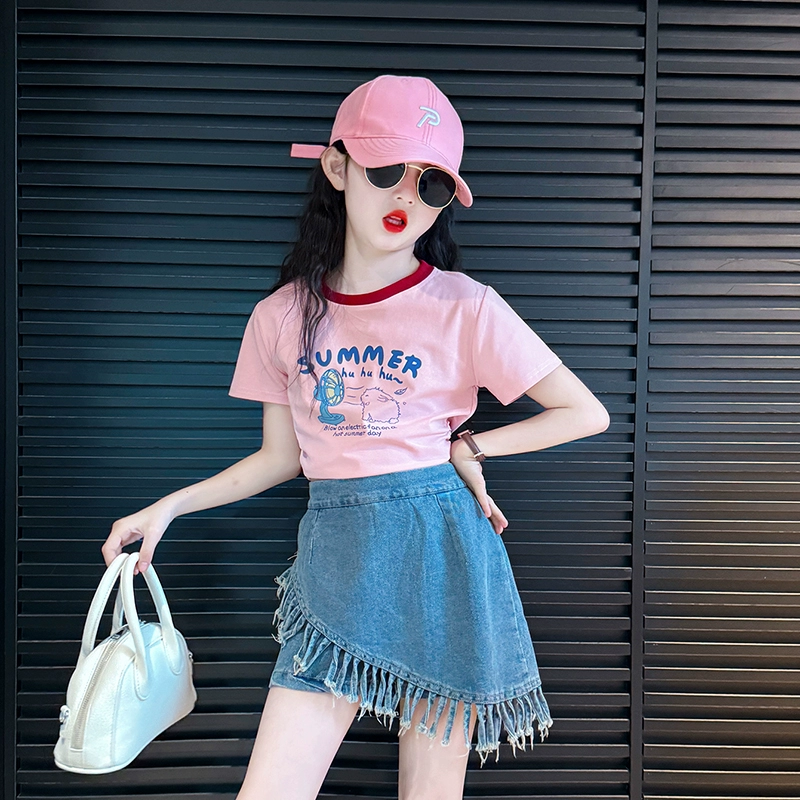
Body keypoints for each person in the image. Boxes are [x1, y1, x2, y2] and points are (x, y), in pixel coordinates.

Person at [102, 74, 610, 800]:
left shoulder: (467, 307)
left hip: (443, 554)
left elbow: (585, 412)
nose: (407, 197)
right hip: (338, 562)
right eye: (385, 171)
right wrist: (169, 507)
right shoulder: (280, 316)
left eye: (431, 185)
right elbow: (280, 459)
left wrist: (470, 448)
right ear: (337, 168)